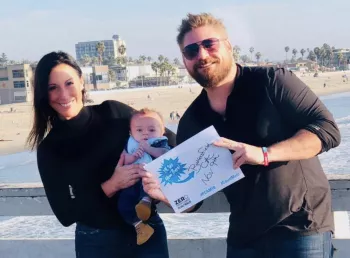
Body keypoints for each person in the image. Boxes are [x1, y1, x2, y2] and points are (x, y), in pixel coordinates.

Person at [142, 13, 341, 258]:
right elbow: (193, 197)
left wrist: (265, 154)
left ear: (228, 46)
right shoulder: (192, 120)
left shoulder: (272, 81)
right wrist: (168, 196)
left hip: (300, 228)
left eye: (209, 44)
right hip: (243, 238)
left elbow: (327, 130)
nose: (202, 55)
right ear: (185, 60)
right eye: (191, 51)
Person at [27, 51, 174, 258]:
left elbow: (172, 144)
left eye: (69, 83)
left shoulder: (115, 113)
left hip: (148, 232)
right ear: (44, 93)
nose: (63, 94)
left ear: (81, 82)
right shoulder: (50, 148)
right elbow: (65, 214)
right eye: (53, 88)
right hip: (96, 241)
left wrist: (181, 195)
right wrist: (113, 184)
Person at [118, 108, 171, 245]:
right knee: (123, 204)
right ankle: (140, 226)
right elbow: (124, 159)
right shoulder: (129, 144)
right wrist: (133, 156)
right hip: (131, 181)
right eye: (139, 130)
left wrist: (149, 149)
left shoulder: (159, 142)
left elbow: (166, 154)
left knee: (147, 190)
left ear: (162, 131)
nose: (145, 133)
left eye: (152, 130)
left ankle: (146, 202)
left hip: (150, 181)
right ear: (131, 132)